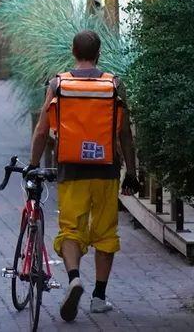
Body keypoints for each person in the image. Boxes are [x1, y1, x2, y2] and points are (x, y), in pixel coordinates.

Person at [29, 30, 139, 322]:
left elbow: (42, 129)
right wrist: (133, 172)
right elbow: (125, 133)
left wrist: (32, 163)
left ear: (73, 52)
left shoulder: (58, 84)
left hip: (71, 168)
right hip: (106, 169)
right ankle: (99, 297)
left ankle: (74, 277)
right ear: (99, 54)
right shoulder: (113, 84)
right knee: (105, 233)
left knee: (70, 229)